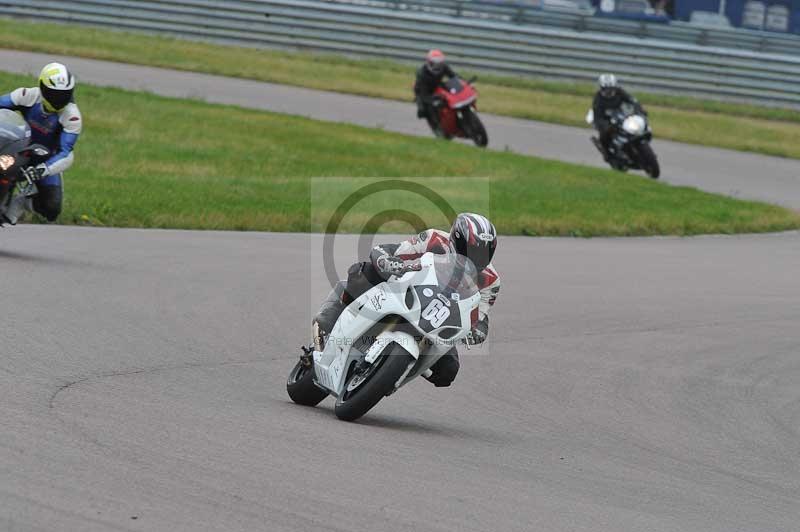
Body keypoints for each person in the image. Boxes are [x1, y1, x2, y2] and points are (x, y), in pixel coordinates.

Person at [312, 213, 501, 388]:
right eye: (472, 251)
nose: (476, 258)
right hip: (404, 289)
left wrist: (478, 331)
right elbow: (390, 250)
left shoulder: (491, 280)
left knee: (448, 370)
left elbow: (480, 316)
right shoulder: (434, 239)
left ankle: (395, 372)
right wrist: (387, 261)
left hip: (436, 320)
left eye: (483, 253)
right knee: (365, 272)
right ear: (456, 240)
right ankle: (333, 314)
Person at [0, 62, 82, 224]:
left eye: (64, 95)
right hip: (15, 149)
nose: (60, 99)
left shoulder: (72, 117)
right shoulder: (26, 95)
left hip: (43, 160)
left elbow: (65, 152)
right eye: (54, 94)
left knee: (51, 208)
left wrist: (42, 170)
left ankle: (21, 202)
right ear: (42, 88)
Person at [592, 74, 646, 159]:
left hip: (621, 114)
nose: (609, 91)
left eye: (611, 88)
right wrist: (605, 126)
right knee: (605, 133)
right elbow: (597, 116)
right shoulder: (598, 99)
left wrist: (639, 108)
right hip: (606, 119)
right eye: (606, 89)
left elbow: (631, 99)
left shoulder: (619, 92)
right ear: (601, 88)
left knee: (636, 123)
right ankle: (607, 153)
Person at [414, 49, 460, 134]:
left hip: (437, 85)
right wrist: (435, 98)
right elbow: (424, 96)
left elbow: (454, 76)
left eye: (439, 64)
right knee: (426, 108)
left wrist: (462, 83)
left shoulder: (444, 67)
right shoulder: (422, 74)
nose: (437, 67)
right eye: (434, 64)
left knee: (451, 94)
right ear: (428, 63)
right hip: (423, 91)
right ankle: (437, 127)